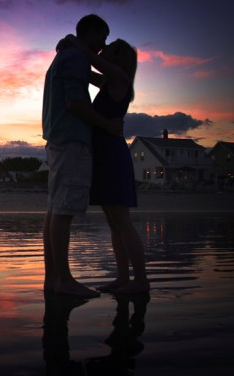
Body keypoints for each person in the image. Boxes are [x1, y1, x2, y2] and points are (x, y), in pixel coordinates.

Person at [42, 14, 123, 297]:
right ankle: (63, 280)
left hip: (58, 139)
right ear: (89, 33)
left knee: (55, 209)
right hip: (72, 140)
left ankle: (53, 278)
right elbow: (76, 103)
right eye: (101, 37)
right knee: (63, 210)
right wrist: (108, 125)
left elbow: (98, 80)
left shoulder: (69, 56)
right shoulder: (74, 57)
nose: (103, 45)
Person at [64, 34, 150, 294]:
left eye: (109, 49)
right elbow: (87, 70)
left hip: (112, 154)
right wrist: (69, 58)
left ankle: (141, 281)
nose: (103, 50)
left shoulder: (121, 80)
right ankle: (123, 278)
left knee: (122, 221)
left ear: (118, 57)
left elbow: (92, 61)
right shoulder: (108, 83)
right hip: (102, 153)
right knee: (114, 222)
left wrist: (76, 43)